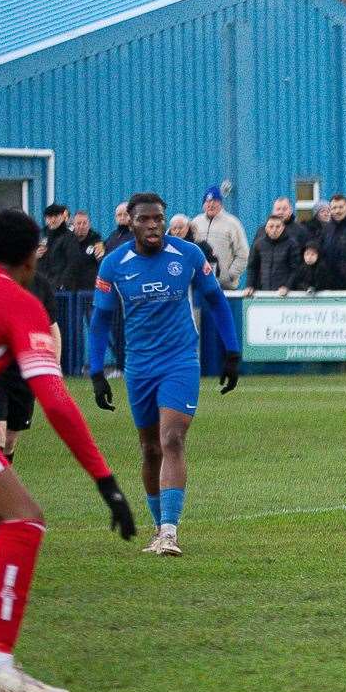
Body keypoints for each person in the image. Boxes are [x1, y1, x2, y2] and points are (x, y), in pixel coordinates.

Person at [0, 209, 135, 692]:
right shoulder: (20, 302)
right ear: (32, 257)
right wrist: (104, 480)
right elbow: (56, 401)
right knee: (22, 519)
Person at [87, 192, 242, 559]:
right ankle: (157, 528)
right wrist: (96, 372)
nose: (153, 225)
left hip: (179, 361)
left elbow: (217, 301)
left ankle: (170, 532)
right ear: (131, 222)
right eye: (145, 219)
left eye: (159, 218)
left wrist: (232, 352)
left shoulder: (188, 255)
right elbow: (100, 322)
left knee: (171, 438)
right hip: (139, 367)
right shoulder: (114, 264)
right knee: (149, 448)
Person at [0, 268, 62, 468]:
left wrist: (53, 369)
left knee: (10, 440)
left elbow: (51, 327)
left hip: (24, 371)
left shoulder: (40, 284)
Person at [190, 187, 248, 291]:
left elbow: (243, 254)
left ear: (221, 203)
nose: (211, 205)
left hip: (224, 288)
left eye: (215, 201)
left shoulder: (232, 223)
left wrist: (229, 276)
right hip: (199, 287)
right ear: (203, 204)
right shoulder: (195, 222)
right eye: (207, 201)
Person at [242, 214, 302, 296]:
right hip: (263, 292)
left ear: (283, 228)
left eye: (278, 227)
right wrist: (250, 285)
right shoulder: (258, 244)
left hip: (285, 295)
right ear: (266, 228)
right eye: (271, 226)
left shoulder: (292, 244)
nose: (274, 230)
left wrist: (287, 286)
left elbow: (295, 269)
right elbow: (252, 267)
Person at [35, 203, 77, 289]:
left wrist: (62, 284)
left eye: (56, 216)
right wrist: (35, 255)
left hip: (60, 289)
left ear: (62, 217)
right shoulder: (40, 235)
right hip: (41, 285)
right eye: (50, 217)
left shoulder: (69, 237)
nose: (53, 220)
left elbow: (73, 262)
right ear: (45, 219)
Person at [62, 210, 105, 291]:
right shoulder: (66, 241)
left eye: (84, 223)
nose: (81, 226)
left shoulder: (96, 242)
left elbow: (102, 264)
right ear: (74, 225)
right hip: (69, 292)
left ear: (89, 225)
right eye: (79, 223)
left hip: (87, 293)